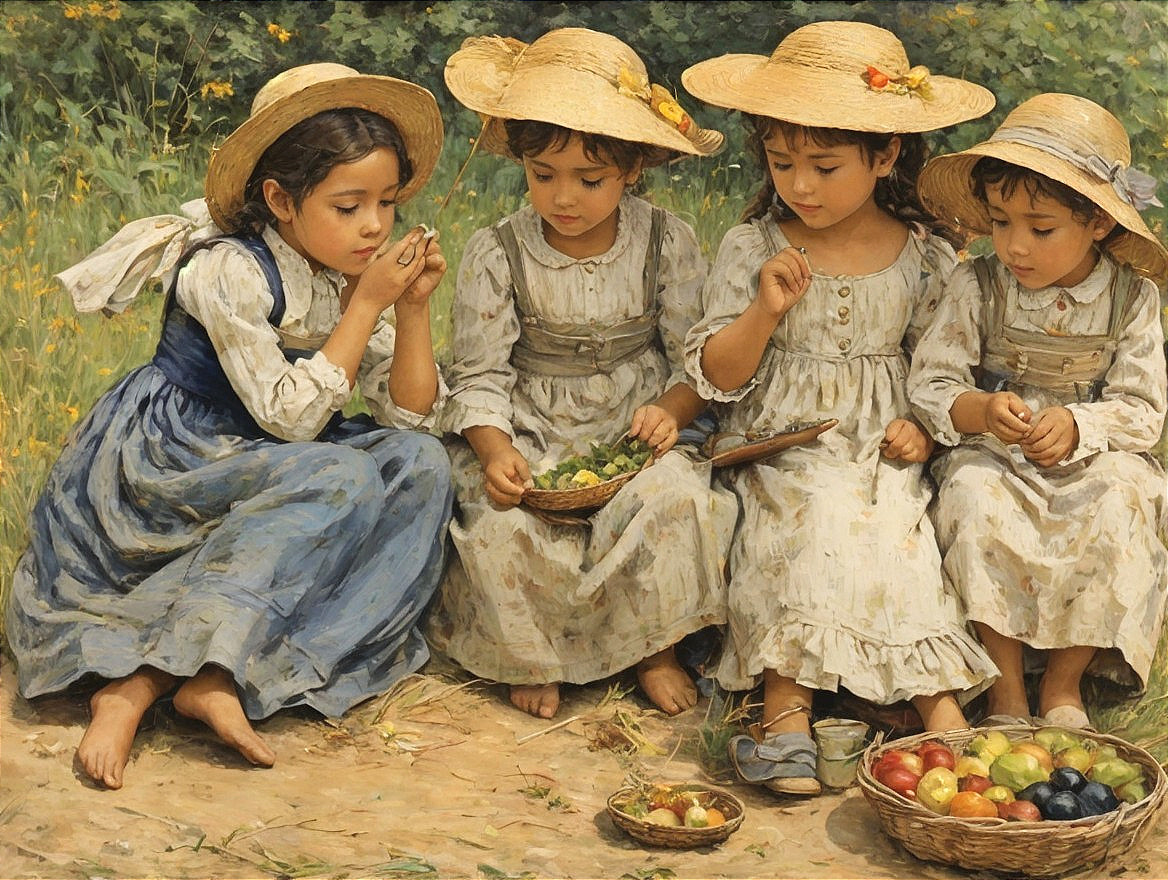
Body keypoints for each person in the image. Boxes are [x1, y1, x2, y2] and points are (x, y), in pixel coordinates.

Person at [6, 63, 454, 789]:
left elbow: (406, 408)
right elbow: (290, 418)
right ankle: (140, 683)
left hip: (272, 451)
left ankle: (245, 674)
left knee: (421, 464)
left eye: (387, 203)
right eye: (348, 206)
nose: (375, 226)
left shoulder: (347, 268)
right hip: (177, 457)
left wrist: (410, 310)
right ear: (279, 199)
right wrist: (367, 305)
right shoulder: (226, 269)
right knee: (338, 473)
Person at [681, 20, 1000, 795]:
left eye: (824, 165)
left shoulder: (927, 251)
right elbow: (715, 376)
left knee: (895, 527)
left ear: (885, 155)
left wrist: (924, 430)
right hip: (781, 442)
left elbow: (943, 364)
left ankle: (939, 711)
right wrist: (764, 313)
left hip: (884, 444)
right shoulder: (754, 245)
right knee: (815, 514)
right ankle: (786, 709)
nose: (800, 186)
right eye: (782, 162)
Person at [425, 27, 738, 721]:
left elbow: (695, 358)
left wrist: (673, 410)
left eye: (589, 180)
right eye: (544, 175)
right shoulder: (497, 250)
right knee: (501, 522)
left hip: (637, 424)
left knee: (675, 502)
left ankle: (651, 647)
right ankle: (535, 654)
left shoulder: (666, 238)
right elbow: (478, 371)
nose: (563, 197)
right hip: (531, 424)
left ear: (631, 170)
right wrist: (495, 447)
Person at [907, 93, 1168, 731]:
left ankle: (1062, 684)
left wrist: (1083, 425)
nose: (1015, 246)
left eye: (1040, 228)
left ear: (1099, 224)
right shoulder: (978, 284)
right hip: (999, 452)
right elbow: (933, 380)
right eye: (1000, 224)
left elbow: (1142, 408)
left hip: (1094, 458)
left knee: (1122, 500)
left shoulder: (1133, 298)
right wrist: (980, 408)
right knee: (971, 495)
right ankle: (1005, 691)